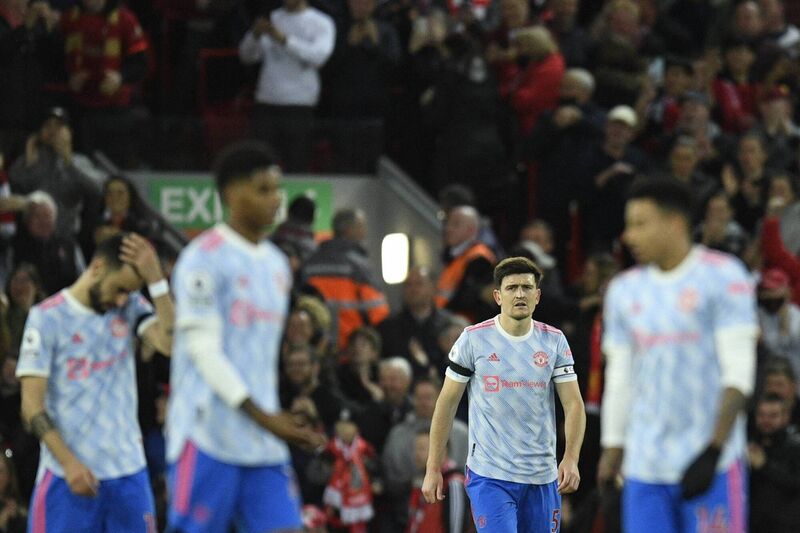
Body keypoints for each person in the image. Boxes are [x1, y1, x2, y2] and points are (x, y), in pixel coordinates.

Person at [166, 141, 325, 533]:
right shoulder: (202, 258)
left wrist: (283, 410)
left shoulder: (277, 265)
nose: (276, 199)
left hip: (262, 439)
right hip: (206, 432)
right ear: (232, 194)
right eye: (263, 190)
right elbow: (204, 352)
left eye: (277, 189)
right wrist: (266, 417)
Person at [598, 178, 758, 532]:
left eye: (640, 224)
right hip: (644, 469)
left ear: (674, 223)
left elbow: (738, 374)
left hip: (711, 464)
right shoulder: (624, 291)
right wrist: (612, 452)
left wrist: (713, 450)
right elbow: (620, 379)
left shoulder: (724, 275)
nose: (629, 236)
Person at [15, 231, 174, 532]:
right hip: (68, 477)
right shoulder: (46, 318)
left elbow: (171, 344)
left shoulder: (131, 307)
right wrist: (69, 463)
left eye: (129, 292)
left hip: (129, 475)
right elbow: (31, 406)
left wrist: (156, 280)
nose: (121, 299)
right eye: (120, 289)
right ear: (98, 267)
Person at [423, 256, 586, 531]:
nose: (520, 294)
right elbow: (446, 404)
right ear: (498, 296)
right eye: (512, 288)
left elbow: (574, 405)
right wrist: (433, 467)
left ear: (537, 296)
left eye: (526, 287)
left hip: (542, 476)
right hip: (490, 476)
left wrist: (571, 458)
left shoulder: (554, 341)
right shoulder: (473, 339)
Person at [238, 0, 335, 171]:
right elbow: (247, 57)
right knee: (260, 164)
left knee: (297, 165)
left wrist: (284, 40)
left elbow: (318, 57)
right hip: (266, 102)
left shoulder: (322, 22)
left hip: (300, 104)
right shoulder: (271, 18)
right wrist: (255, 34)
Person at [301, 208, 389, 348]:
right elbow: (378, 312)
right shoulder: (359, 266)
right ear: (348, 230)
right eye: (360, 226)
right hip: (352, 347)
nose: (364, 231)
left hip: (316, 346)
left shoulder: (310, 263)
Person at [748, 393, 800, 533]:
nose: (766, 420)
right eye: (761, 415)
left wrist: (764, 466)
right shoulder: (749, 446)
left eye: (773, 415)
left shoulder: (795, 447)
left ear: (786, 417)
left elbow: (794, 481)